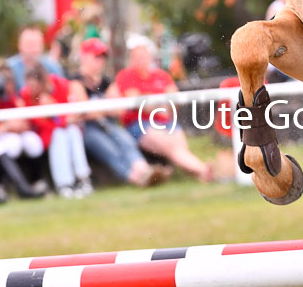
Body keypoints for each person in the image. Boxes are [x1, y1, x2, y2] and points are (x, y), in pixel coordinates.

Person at [69, 38, 171, 188]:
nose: (100, 61)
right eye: (96, 56)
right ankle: (135, 177)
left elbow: (119, 109)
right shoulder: (75, 81)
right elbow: (86, 112)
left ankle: (145, 171)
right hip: (88, 129)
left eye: (102, 57)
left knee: (126, 140)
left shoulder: (106, 81)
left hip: (109, 124)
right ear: (84, 56)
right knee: (107, 148)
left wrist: (97, 107)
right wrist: (103, 108)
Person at [113, 34, 213, 181]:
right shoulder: (126, 76)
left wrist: (153, 102)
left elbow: (174, 100)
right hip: (140, 124)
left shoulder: (161, 75)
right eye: (136, 56)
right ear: (131, 58)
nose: (140, 59)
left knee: (177, 147)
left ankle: (198, 171)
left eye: (143, 55)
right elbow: (141, 106)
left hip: (165, 121)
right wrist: (160, 104)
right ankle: (203, 170)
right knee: (173, 147)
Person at [20, 66, 94, 198]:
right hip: (47, 133)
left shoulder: (59, 84)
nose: (32, 88)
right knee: (58, 136)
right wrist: (55, 116)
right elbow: (37, 122)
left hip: (66, 127)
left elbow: (73, 108)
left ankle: (83, 178)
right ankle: (64, 184)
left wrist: (64, 118)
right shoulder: (27, 95)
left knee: (73, 132)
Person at [0, 71, 47, 203]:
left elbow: (24, 123)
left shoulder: (6, 100)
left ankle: (25, 186)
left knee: (23, 142)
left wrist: (14, 126)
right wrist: (5, 126)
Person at [7, 27, 65, 91]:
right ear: (19, 45)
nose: (32, 48)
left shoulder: (52, 66)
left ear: (42, 45)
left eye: (36, 44)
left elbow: (63, 90)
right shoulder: (9, 67)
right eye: (29, 44)